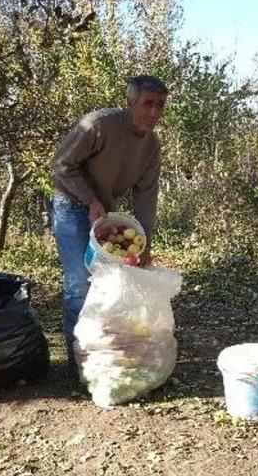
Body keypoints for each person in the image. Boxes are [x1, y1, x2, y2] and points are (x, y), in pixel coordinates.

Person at [50, 75, 168, 364]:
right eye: (147, 104)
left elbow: (146, 198)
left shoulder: (151, 146)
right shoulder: (98, 125)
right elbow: (60, 165)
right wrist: (90, 199)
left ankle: (102, 353)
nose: (153, 112)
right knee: (80, 281)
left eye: (160, 106)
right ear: (130, 103)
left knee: (107, 284)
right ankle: (77, 360)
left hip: (103, 214)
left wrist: (145, 245)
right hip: (71, 204)